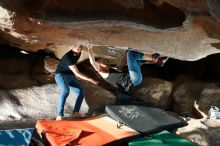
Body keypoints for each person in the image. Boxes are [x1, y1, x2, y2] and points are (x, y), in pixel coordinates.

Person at [88, 47, 168, 93]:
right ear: (98, 64)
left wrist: (126, 51)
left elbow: (122, 64)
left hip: (135, 78)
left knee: (134, 57)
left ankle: (158, 61)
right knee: (131, 54)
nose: (104, 61)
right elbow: (92, 62)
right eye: (101, 61)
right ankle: (154, 59)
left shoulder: (111, 69)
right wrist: (89, 48)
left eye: (103, 60)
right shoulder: (103, 73)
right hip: (133, 79)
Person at [55, 45, 98, 120]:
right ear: (72, 47)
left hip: (70, 76)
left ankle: (76, 113)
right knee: (65, 91)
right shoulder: (68, 57)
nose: (79, 49)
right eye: (77, 47)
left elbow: (73, 68)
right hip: (60, 75)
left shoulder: (78, 53)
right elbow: (77, 72)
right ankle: (59, 115)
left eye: (80, 48)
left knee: (82, 91)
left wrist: (75, 75)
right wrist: (90, 79)